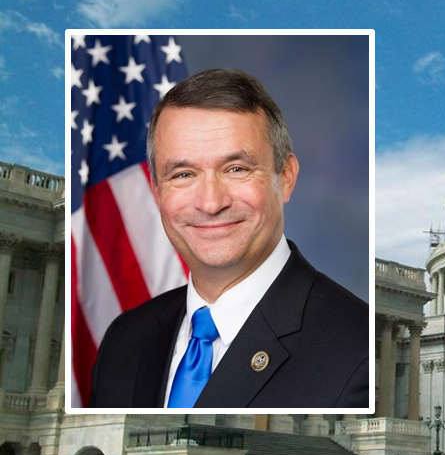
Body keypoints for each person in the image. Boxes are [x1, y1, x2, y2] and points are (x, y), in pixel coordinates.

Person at [89, 68, 369, 408]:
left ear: (287, 178)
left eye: (236, 169)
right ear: (158, 192)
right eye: (184, 174)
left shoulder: (358, 350)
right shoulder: (124, 340)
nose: (210, 202)